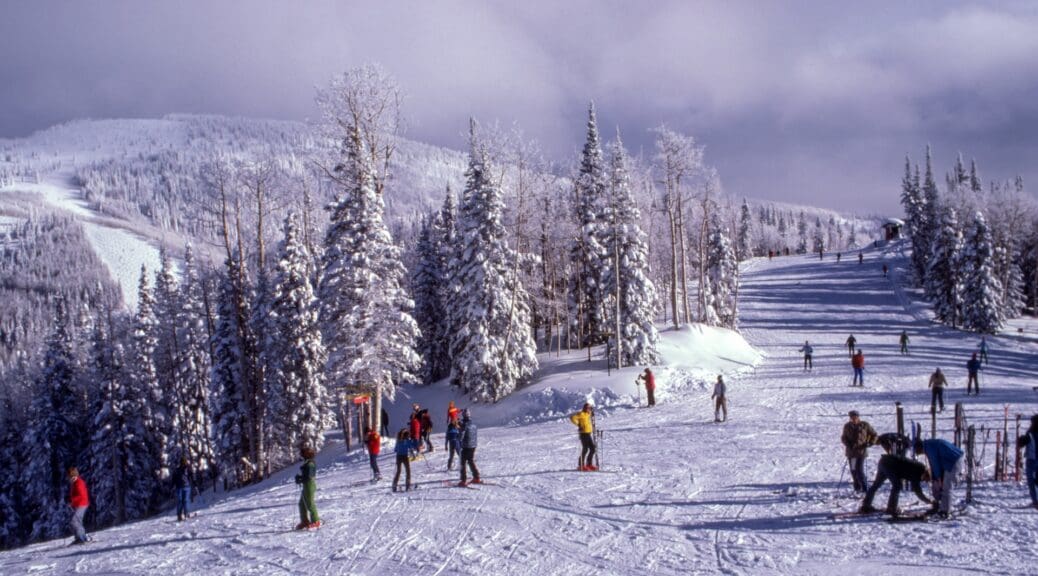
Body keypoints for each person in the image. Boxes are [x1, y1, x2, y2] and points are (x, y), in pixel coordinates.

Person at [859, 453, 933, 517]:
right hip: (889, 464)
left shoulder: (919, 469)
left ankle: (866, 505)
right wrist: (927, 501)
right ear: (925, 474)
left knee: (877, 484)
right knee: (897, 485)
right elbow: (917, 490)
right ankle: (891, 508)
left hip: (884, 461)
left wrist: (927, 500)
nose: (924, 481)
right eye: (925, 479)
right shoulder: (917, 471)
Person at [915, 438, 965, 518]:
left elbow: (935, 464)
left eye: (917, 451)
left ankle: (945, 511)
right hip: (950, 460)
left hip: (953, 461)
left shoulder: (929, 448)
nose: (919, 453)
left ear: (919, 447)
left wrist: (938, 478)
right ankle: (941, 506)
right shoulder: (929, 445)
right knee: (942, 486)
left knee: (947, 487)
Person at [841, 410, 878, 493]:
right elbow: (843, 437)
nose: (854, 419)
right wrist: (848, 444)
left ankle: (865, 489)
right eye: (852, 417)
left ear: (858, 417)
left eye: (855, 417)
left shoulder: (865, 425)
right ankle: (857, 488)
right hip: (851, 453)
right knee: (853, 471)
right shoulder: (847, 426)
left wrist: (870, 443)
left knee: (859, 471)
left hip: (861, 452)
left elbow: (874, 435)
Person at [294, 445, 320, 529]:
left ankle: (316, 521)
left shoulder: (310, 464)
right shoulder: (307, 462)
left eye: (303, 453)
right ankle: (304, 521)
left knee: (309, 503)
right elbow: (306, 475)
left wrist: (300, 479)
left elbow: (309, 476)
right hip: (306, 485)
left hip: (309, 485)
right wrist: (300, 478)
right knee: (302, 504)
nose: (301, 455)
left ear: (307, 454)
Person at [1016, 415, 1038, 509]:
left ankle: (1035, 501)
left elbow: (1021, 443)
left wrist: (1019, 440)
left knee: (1032, 482)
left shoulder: (1031, 433)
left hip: (1032, 460)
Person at [569, 403, 597, 471]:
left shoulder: (588, 414)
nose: (589, 409)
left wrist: (592, 412)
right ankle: (581, 465)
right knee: (585, 449)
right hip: (583, 434)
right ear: (585, 408)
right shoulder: (581, 413)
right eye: (588, 408)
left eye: (590, 408)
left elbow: (591, 414)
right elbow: (572, 417)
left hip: (588, 433)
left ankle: (589, 464)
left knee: (593, 449)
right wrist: (578, 424)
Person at [67, 467, 91, 544]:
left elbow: (81, 495)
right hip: (79, 504)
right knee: (77, 521)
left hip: (82, 504)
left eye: (70, 476)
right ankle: (80, 537)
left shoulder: (79, 483)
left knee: (75, 521)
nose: (69, 478)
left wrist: (72, 501)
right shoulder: (75, 483)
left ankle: (82, 538)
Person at [458, 409, 482, 486]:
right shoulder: (473, 424)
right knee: (470, 461)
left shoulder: (464, 424)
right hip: (473, 445)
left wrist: (459, 431)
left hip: (466, 446)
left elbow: (461, 435)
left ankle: (463, 480)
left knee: (463, 462)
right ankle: (476, 477)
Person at [173, 456, 192, 522]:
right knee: (180, 501)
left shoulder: (188, 469)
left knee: (186, 500)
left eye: (185, 462)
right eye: (183, 462)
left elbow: (192, 475)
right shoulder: (177, 470)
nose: (184, 463)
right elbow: (174, 478)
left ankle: (186, 513)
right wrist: (173, 485)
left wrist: (194, 481)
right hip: (179, 487)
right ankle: (179, 515)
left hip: (187, 487)